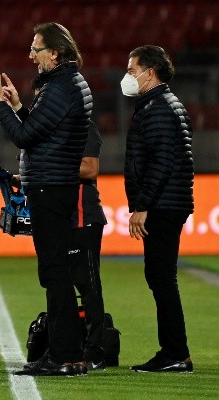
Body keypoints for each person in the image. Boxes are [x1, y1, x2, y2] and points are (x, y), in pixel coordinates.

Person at [0, 22, 92, 376]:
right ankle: (66, 352)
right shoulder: (67, 84)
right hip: (55, 185)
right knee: (56, 270)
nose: (31, 55)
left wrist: (0, 106)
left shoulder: (60, 87)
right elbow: (42, 134)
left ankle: (64, 355)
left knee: (55, 272)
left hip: (50, 188)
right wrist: (17, 105)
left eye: (36, 48)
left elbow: (23, 137)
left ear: (55, 52)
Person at [13, 75, 108, 371]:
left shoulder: (81, 127)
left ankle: (96, 350)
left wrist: (51, 166)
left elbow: (90, 168)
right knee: (59, 282)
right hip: (65, 214)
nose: (40, 106)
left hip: (83, 215)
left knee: (87, 285)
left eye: (42, 99)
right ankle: (64, 347)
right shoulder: (53, 131)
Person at [121, 45, 194, 373]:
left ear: (150, 72)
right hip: (167, 202)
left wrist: (143, 205)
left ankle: (175, 353)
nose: (128, 75)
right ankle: (175, 351)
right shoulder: (161, 103)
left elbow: (161, 162)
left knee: (162, 277)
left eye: (132, 69)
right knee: (160, 276)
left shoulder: (159, 107)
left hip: (163, 204)